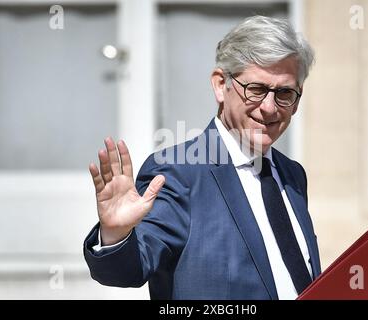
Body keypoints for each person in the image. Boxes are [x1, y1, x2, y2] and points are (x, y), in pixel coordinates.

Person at [83, 15, 321, 300]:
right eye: (256, 90)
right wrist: (116, 234)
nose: (269, 108)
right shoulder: (177, 172)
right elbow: (130, 269)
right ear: (221, 85)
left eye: (284, 93)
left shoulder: (292, 174)